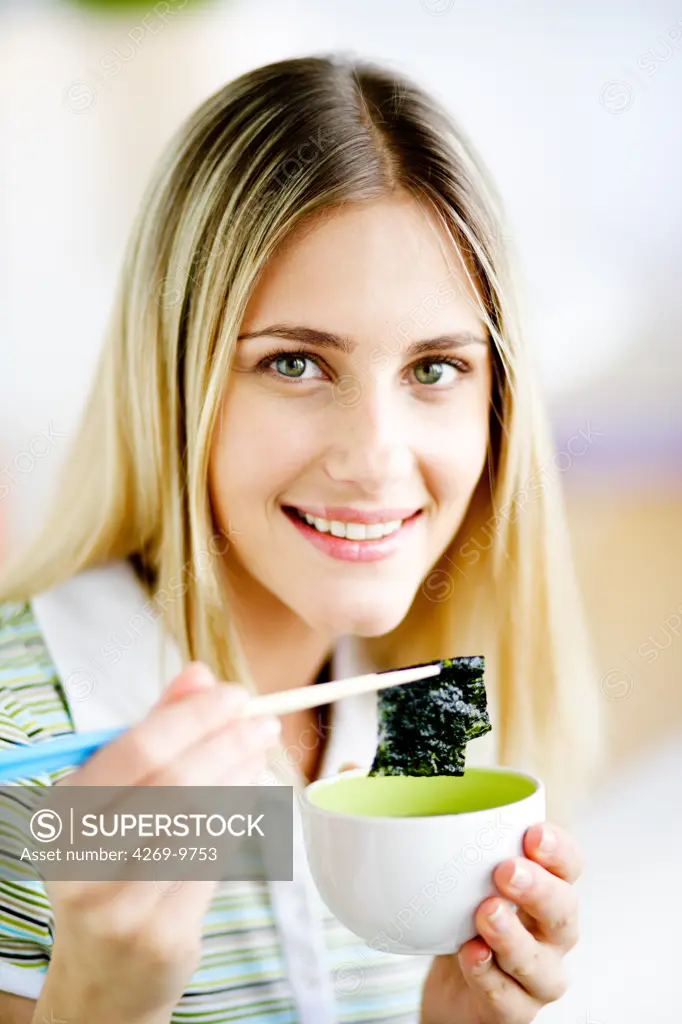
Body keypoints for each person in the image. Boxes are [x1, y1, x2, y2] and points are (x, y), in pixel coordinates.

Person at [0, 54, 603, 1024]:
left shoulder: (431, 724)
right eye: (294, 361)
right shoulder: (27, 736)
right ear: (174, 381)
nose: (373, 455)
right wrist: (95, 1006)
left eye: (436, 368)